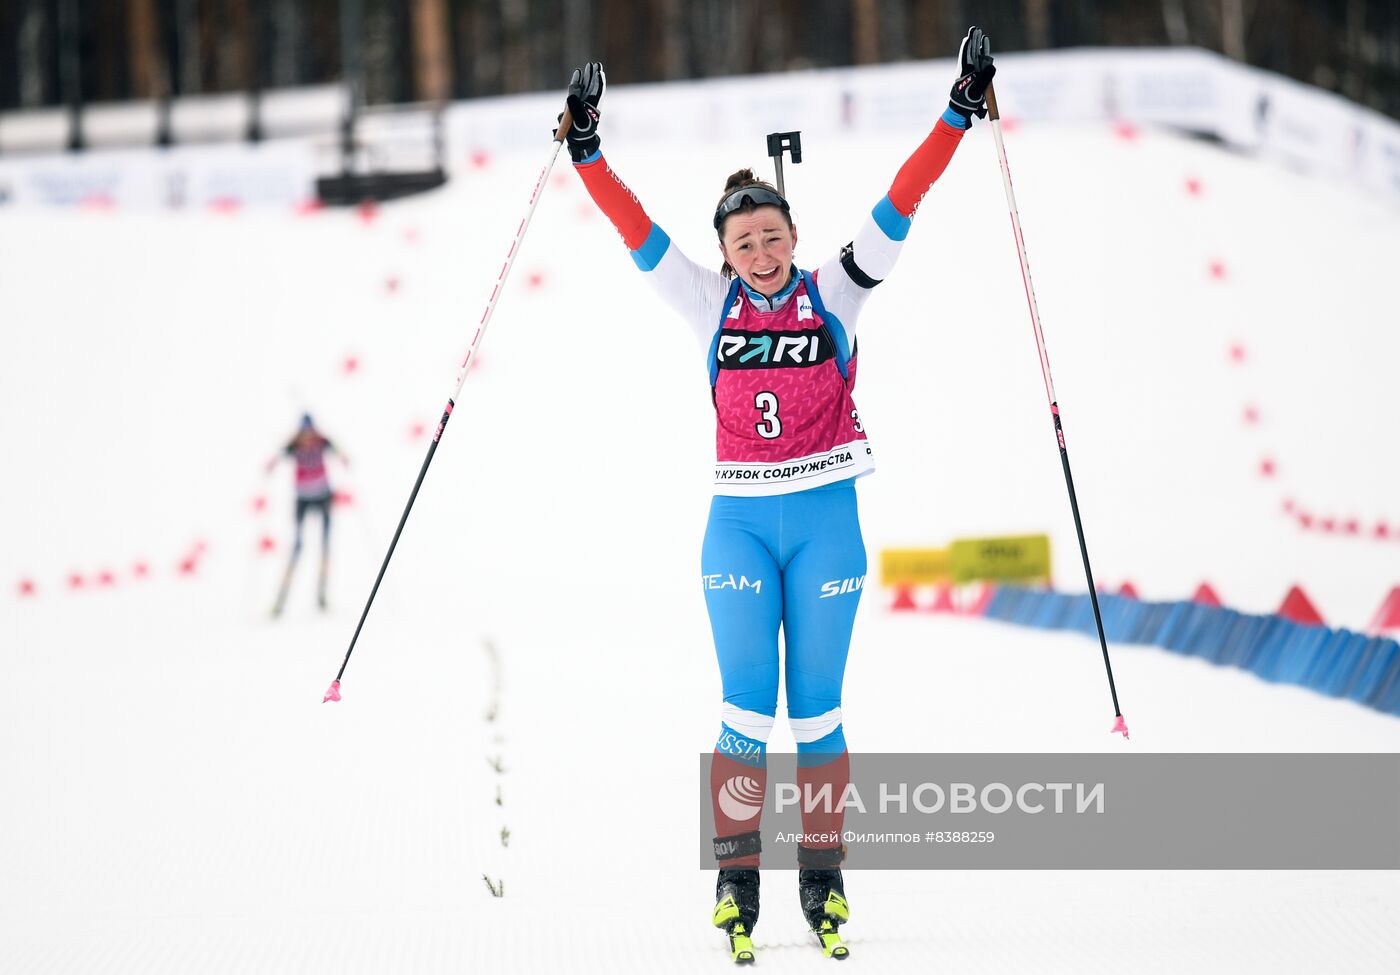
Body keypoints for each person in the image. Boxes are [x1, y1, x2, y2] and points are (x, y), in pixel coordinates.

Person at [562, 27, 995, 963]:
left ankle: (824, 877)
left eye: (771, 237)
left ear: (794, 237)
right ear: (723, 249)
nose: (758, 252)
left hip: (828, 526)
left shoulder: (839, 291)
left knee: (821, 713)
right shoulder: (701, 299)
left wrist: (958, 110)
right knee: (745, 707)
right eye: (742, 240)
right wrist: (587, 144)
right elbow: (628, 222)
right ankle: (737, 876)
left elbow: (903, 199)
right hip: (739, 529)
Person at [265, 413, 346, 616]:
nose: (307, 437)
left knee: (325, 546)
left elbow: (338, 450)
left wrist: (344, 458)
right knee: (298, 547)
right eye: (304, 433)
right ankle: (281, 600)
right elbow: (278, 456)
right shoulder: (294, 445)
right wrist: (271, 466)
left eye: (309, 432)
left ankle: (321, 594)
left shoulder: (322, 441)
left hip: (323, 496)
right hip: (303, 499)